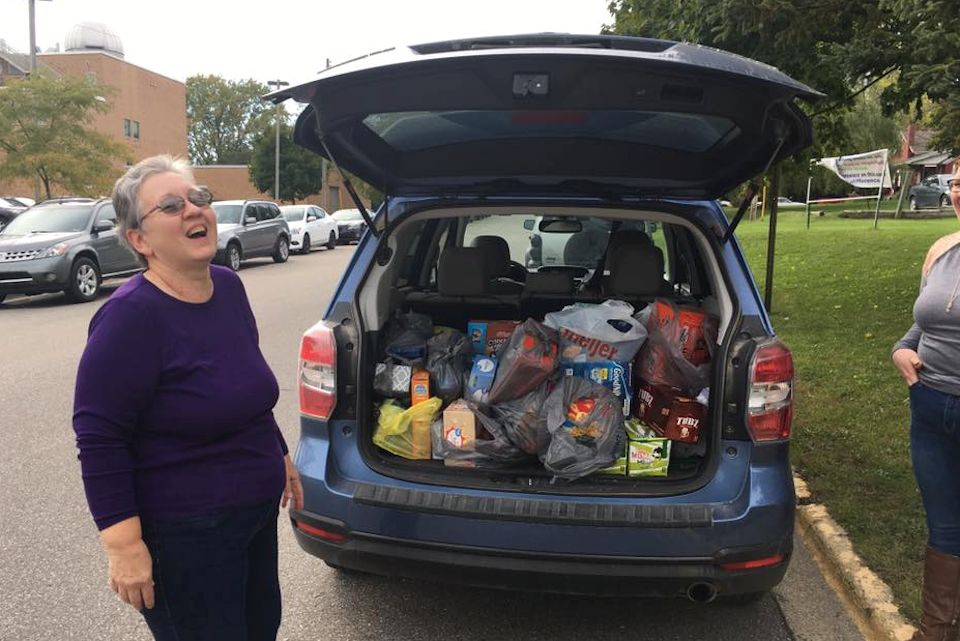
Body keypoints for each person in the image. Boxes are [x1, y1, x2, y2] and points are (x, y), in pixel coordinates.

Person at [72, 155, 303, 641]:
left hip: (253, 516)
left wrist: (278, 449)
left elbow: (246, 385)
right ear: (139, 240)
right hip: (185, 533)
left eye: (199, 198)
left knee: (261, 629)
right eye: (172, 205)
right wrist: (123, 544)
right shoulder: (130, 319)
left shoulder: (230, 287)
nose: (194, 210)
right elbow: (100, 439)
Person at [893, 163, 960, 641]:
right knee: (943, 525)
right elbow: (924, 324)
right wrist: (901, 349)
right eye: (958, 183)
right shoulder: (941, 250)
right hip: (930, 406)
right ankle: (935, 631)